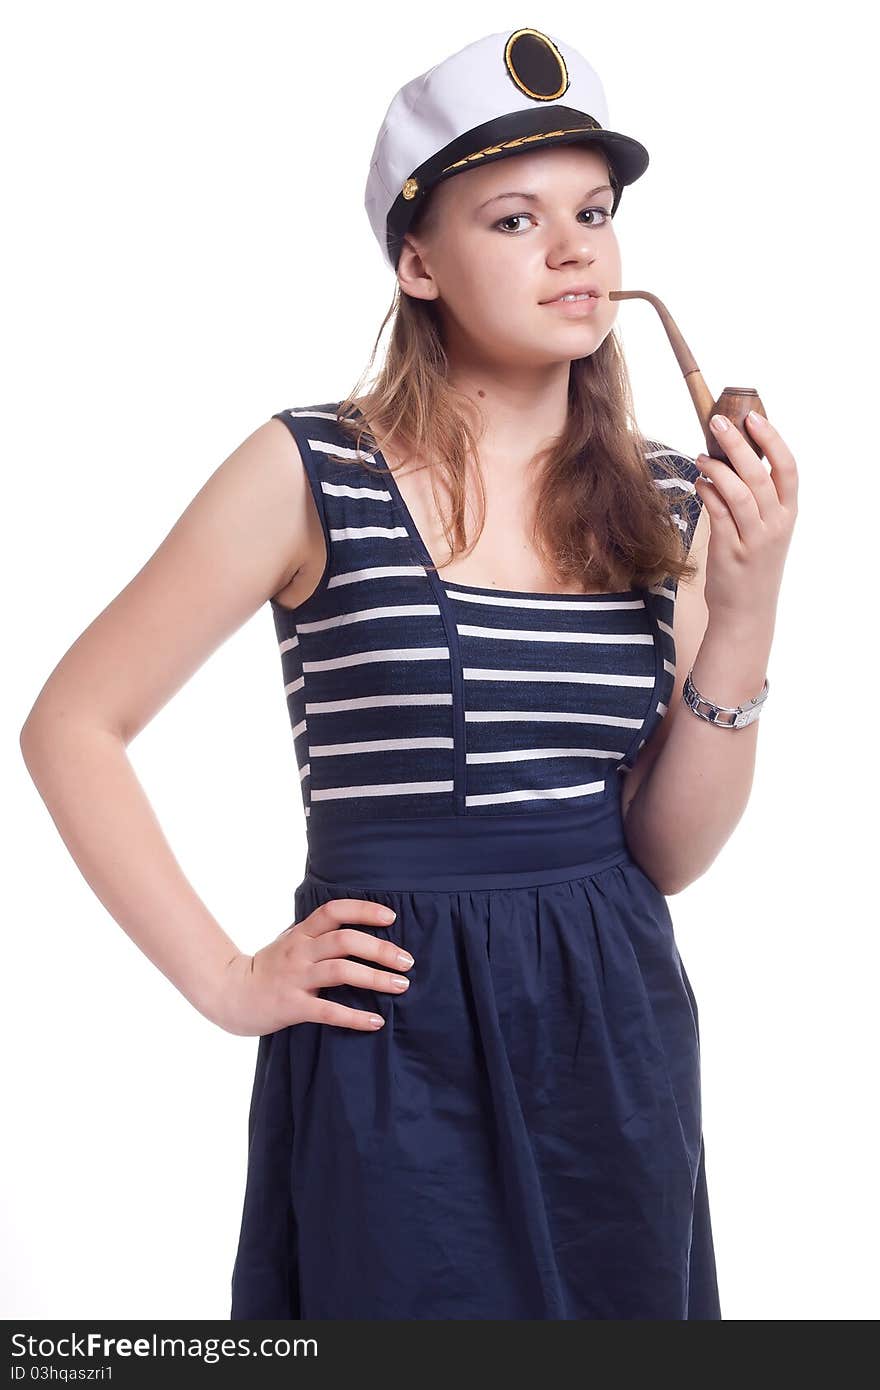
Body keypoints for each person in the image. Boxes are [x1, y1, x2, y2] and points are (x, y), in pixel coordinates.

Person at [19, 27, 797, 1320]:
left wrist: (749, 614)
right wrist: (226, 978)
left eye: (595, 212)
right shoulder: (310, 472)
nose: (574, 250)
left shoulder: (673, 494)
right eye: (515, 217)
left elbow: (665, 849)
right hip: (396, 1052)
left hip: (615, 1043)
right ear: (417, 261)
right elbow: (71, 724)